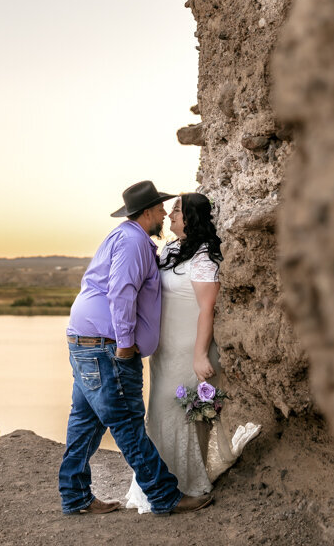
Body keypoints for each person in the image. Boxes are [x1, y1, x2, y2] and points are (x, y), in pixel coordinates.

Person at [58, 180, 214, 516]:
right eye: (160, 208)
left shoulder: (124, 236)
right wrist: (126, 345)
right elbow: (121, 293)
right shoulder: (133, 242)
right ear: (147, 213)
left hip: (85, 341)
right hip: (107, 345)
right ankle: (164, 496)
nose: (163, 214)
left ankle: (75, 496)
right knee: (128, 422)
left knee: (85, 421)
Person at [126, 192, 261, 513]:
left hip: (190, 350)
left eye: (176, 211)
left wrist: (200, 356)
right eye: (170, 211)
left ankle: (181, 487)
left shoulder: (204, 256)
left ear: (192, 218)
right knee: (157, 416)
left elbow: (207, 309)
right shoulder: (170, 250)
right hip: (165, 351)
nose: (169, 216)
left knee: (176, 417)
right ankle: (156, 487)